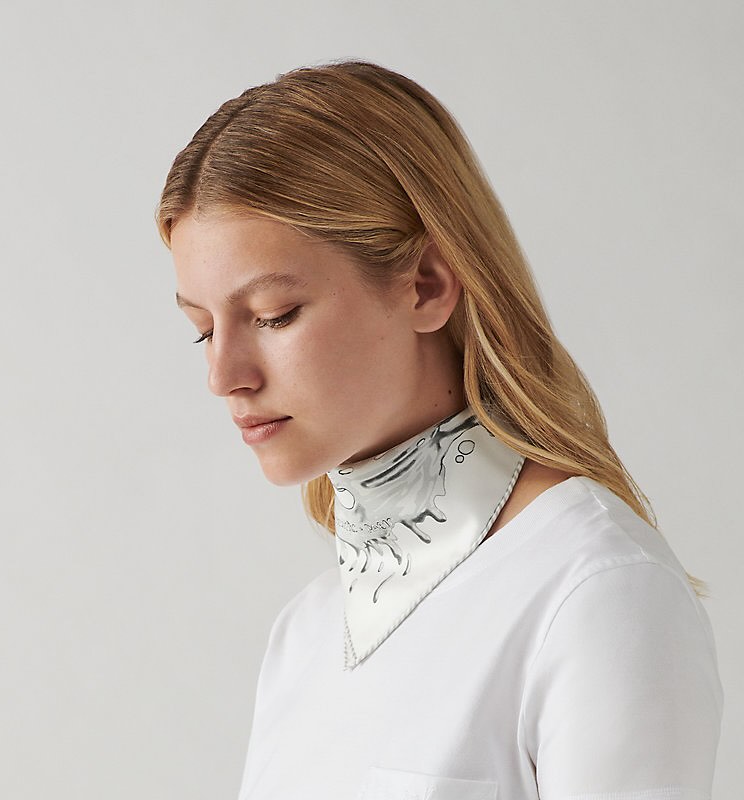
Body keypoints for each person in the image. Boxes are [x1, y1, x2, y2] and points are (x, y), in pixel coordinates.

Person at [156, 60, 723, 800]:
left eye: (273, 315)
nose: (224, 375)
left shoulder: (596, 594)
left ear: (427, 284)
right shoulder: (307, 634)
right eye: (203, 329)